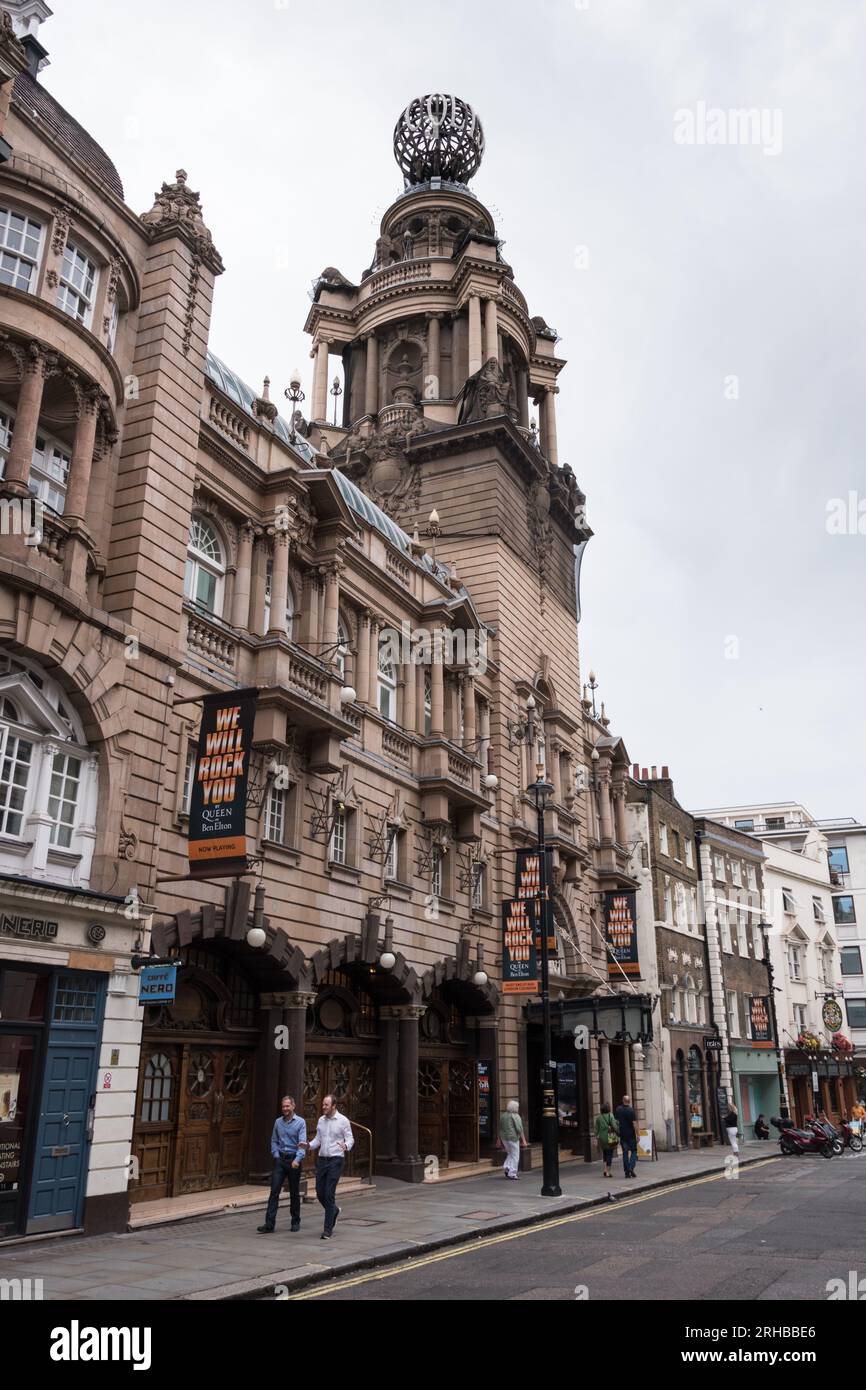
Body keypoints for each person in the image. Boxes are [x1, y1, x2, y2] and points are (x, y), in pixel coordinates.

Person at [303, 1093, 354, 1240]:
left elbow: (350, 1138)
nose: (323, 1107)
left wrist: (346, 1145)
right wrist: (308, 1145)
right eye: (323, 1104)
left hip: (336, 1159)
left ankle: (327, 1230)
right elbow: (318, 1140)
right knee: (320, 1192)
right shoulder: (321, 1120)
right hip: (322, 1159)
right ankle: (334, 1211)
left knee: (329, 1193)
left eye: (326, 1105)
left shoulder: (343, 1121)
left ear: (333, 1106)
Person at [258, 1094, 306, 1234]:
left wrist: (297, 1160)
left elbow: (302, 1144)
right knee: (274, 1191)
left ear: (293, 1106)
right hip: (281, 1160)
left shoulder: (301, 1122)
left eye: (287, 1106)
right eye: (283, 1106)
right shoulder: (278, 1122)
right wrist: (276, 1155)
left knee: (294, 1192)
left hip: (294, 1161)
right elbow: (274, 1140)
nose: (285, 1108)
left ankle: (295, 1221)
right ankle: (269, 1224)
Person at [499, 1099, 528, 1179]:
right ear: (515, 1107)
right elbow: (520, 1129)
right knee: (515, 1155)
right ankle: (512, 1173)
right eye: (517, 1107)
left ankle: (507, 1167)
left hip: (504, 1138)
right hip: (513, 1138)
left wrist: (499, 1139)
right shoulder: (515, 1116)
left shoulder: (503, 1115)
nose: (518, 1108)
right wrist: (524, 1141)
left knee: (510, 1153)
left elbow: (500, 1128)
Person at [614, 1094, 639, 1178]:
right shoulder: (631, 1111)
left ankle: (627, 1172)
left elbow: (616, 1122)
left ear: (623, 1100)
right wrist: (638, 1134)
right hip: (631, 1135)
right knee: (634, 1151)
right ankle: (631, 1167)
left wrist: (617, 1133)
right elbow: (634, 1123)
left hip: (623, 1135)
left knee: (625, 1153)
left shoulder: (618, 1110)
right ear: (629, 1101)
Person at [594, 1099, 619, 1178]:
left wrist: (595, 1138)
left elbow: (596, 1130)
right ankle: (608, 1172)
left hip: (602, 1138)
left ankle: (605, 1169)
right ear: (608, 1109)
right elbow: (614, 1126)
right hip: (610, 1138)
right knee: (609, 1155)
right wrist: (618, 1132)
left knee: (605, 1154)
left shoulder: (598, 1118)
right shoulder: (610, 1115)